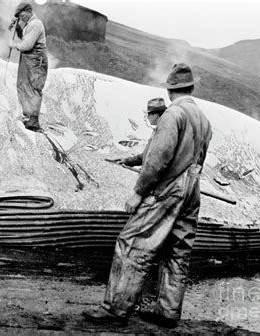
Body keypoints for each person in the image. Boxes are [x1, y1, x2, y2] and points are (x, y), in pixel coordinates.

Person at [82, 63, 212, 329]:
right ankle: (167, 312)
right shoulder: (203, 119)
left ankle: (116, 310)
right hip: (192, 190)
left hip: (168, 190)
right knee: (177, 251)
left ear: (169, 88)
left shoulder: (173, 115)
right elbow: (197, 158)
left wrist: (138, 193)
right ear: (191, 87)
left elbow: (158, 159)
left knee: (131, 243)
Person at [8, 2, 48, 131]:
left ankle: (33, 121)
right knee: (23, 85)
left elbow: (27, 45)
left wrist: (13, 45)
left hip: (36, 60)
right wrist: (17, 27)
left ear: (28, 11)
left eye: (22, 15)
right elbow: (24, 37)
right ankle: (28, 115)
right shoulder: (29, 24)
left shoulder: (36, 24)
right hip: (28, 59)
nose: (21, 18)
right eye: (19, 16)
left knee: (34, 87)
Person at [111, 97, 167, 168]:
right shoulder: (159, 130)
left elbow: (160, 158)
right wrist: (127, 161)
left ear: (155, 115)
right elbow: (147, 155)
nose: (147, 117)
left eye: (148, 114)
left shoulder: (164, 132)